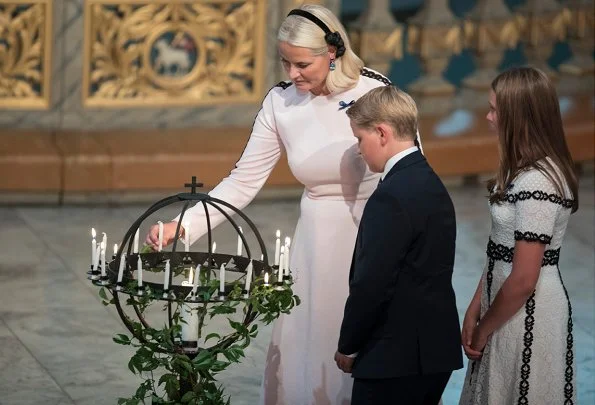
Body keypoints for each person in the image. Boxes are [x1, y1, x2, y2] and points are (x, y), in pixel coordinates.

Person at [145, 5, 422, 404]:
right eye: (285, 62)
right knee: (311, 349)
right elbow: (242, 180)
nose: (292, 74)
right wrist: (182, 226)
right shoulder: (281, 103)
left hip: (376, 237)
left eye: (302, 64)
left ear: (333, 50)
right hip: (314, 245)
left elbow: (414, 172)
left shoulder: (374, 90)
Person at [334, 86, 462, 404]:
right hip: (433, 352)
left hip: (394, 357)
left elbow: (372, 283)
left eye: (360, 139)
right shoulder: (429, 180)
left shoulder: (391, 195)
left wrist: (349, 344)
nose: (359, 150)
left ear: (382, 132)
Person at [459, 66, 579, 404]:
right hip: (503, 308)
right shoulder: (523, 171)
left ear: (520, 117)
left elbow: (525, 276)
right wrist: (476, 305)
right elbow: (501, 248)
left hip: (527, 315)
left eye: (496, 109)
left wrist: (484, 329)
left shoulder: (538, 181)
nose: (488, 116)